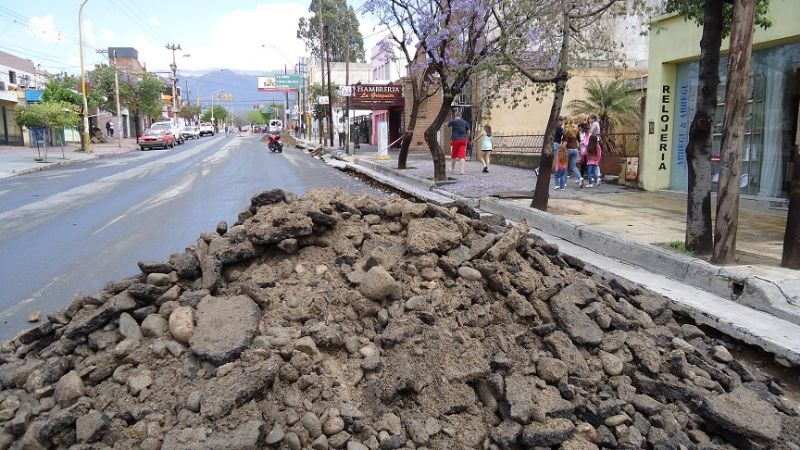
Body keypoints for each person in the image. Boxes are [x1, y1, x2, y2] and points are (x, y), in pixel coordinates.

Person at [563, 118, 584, 187]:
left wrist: (562, 149)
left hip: (568, 150)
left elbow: (565, 142)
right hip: (575, 150)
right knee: (573, 166)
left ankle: (564, 182)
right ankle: (580, 178)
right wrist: (580, 149)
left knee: (565, 166)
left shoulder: (566, 131)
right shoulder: (576, 130)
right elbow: (580, 141)